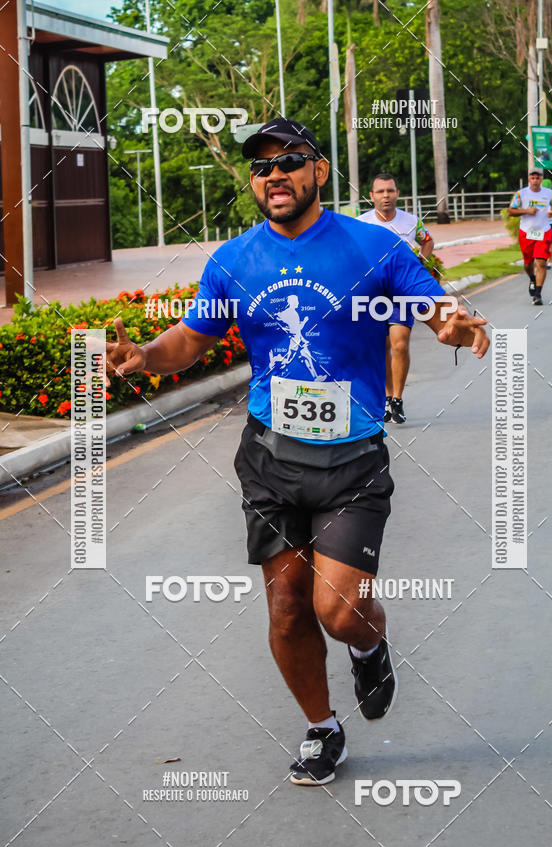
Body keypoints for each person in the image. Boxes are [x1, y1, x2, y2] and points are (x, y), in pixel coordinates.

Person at [106, 118, 489, 787]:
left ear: (319, 172)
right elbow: (190, 340)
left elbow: (436, 309)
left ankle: (369, 645)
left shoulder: (372, 246)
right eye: (262, 166)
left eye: (289, 161)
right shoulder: (233, 261)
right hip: (269, 456)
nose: (274, 175)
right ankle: (322, 728)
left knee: (338, 610)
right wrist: (144, 357)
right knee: (287, 606)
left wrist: (453, 324)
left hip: (352, 459)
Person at [359, 174, 435, 425]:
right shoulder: (361, 224)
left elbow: (427, 241)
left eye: (390, 191)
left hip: (401, 293)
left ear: (397, 193)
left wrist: (419, 262)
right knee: (381, 346)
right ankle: (386, 397)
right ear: (372, 196)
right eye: (380, 191)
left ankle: (398, 399)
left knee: (400, 344)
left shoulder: (411, 221)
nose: (386, 196)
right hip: (372, 294)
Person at [508, 168, 552, 305]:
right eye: (533, 178)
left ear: (541, 179)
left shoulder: (550, 194)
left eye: (538, 178)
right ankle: (532, 278)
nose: (535, 181)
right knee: (528, 264)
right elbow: (511, 211)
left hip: (544, 231)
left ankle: (537, 294)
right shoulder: (521, 194)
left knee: (541, 263)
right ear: (529, 179)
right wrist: (527, 211)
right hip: (526, 232)